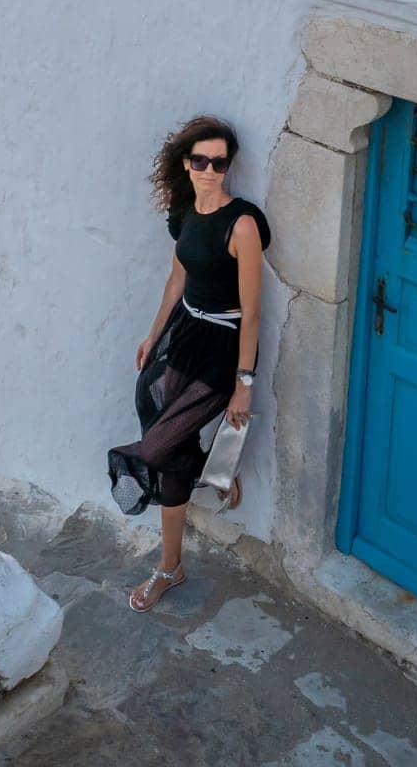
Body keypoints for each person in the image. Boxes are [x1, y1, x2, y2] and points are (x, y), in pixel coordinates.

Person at [107, 113, 271, 612]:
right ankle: (207, 472)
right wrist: (153, 333)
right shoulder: (183, 213)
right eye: (200, 160)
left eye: (219, 163)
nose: (209, 170)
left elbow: (253, 312)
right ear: (186, 163)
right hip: (184, 329)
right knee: (150, 405)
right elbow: (177, 276)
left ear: (228, 167)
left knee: (155, 449)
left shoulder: (242, 224)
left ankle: (166, 566)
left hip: (221, 346)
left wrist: (244, 384)